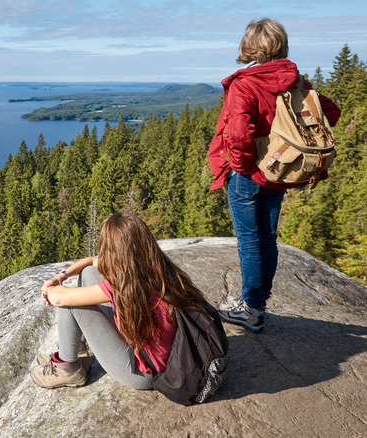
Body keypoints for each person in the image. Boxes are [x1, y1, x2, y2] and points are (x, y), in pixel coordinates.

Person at [207, 18, 340, 332]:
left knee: (250, 243)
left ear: (250, 47)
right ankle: (259, 304)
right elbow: (329, 113)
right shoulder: (296, 82)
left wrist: (241, 167)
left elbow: (239, 135)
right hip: (280, 173)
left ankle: (251, 309)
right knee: (267, 241)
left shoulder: (246, 83)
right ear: (280, 45)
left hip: (250, 175)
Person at [30, 212, 208, 389]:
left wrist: (50, 287)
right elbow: (91, 261)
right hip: (162, 356)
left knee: (71, 302)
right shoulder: (155, 267)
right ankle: (77, 352)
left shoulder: (125, 286)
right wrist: (61, 276)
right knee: (90, 273)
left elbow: (59, 299)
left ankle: (67, 368)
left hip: (144, 372)